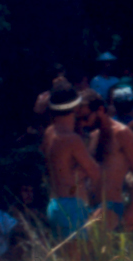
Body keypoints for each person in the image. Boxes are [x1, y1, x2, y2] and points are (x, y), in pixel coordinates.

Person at [42, 83, 100, 241]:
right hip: (71, 207)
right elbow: (95, 172)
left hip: (55, 203)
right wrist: (93, 143)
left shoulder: (50, 132)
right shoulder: (71, 139)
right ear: (75, 108)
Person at [85, 92, 133, 232]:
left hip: (110, 205)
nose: (83, 122)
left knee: (88, 242)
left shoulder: (122, 133)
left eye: (86, 117)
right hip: (90, 205)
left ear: (100, 110)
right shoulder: (94, 135)